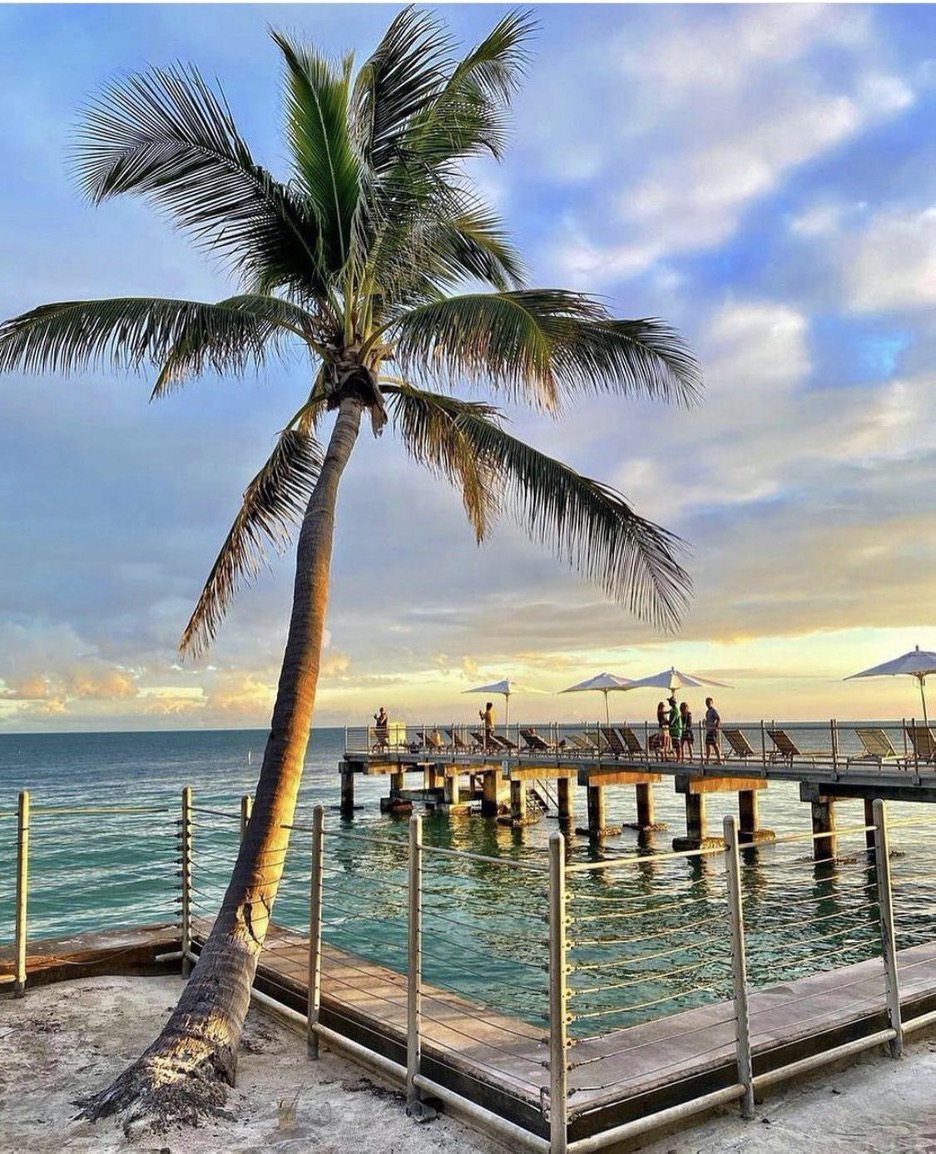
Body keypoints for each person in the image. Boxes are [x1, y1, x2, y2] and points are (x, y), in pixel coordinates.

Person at [704, 696, 722, 764]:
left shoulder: (713, 710)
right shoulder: (707, 712)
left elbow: (718, 718)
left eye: (709, 702)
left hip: (712, 730)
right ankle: (707, 759)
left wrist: (716, 727)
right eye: (706, 702)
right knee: (707, 745)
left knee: (715, 745)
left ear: (712, 702)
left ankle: (719, 759)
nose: (707, 704)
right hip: (708, 730)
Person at [667, 695, 682, 761]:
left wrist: (667, 722)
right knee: (676, 745)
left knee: (677, 745)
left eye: (670, 702)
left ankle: (679, 758)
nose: (669, 703)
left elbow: (672, 721)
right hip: (674, 730)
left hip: (675, 730)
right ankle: (678, 758)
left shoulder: (675, 711)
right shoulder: (674, 710)